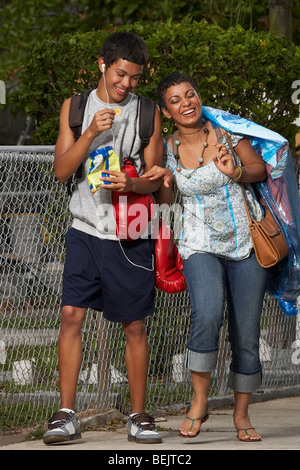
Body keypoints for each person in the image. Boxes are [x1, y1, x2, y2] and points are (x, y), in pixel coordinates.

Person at [43, 31, 163, 445]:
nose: (127, 84)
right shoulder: (76, 108)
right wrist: (90, 132)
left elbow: (156, 180)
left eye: (134, 77)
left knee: (134, 326)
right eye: (121, 74)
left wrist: (130, 182)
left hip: (129, 234)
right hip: (84, 230)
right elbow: (61, 171)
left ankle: (139, 416)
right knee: (71, 317)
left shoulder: (148, 112)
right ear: (102, 65)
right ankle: (65, 416)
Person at [142, 73, 271, 442]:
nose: (186, 103)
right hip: (198, 242)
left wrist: (238, 171)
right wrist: (165, 184)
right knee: (207, 313)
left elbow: (259, 169)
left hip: (247, 241)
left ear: (199, 97)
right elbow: (167, 204)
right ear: (167, 111)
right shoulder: (166, 147)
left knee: (246, 331)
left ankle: (242, 414)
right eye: (175, 100)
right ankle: (199, 402)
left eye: (190, 95)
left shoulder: (226, 131)